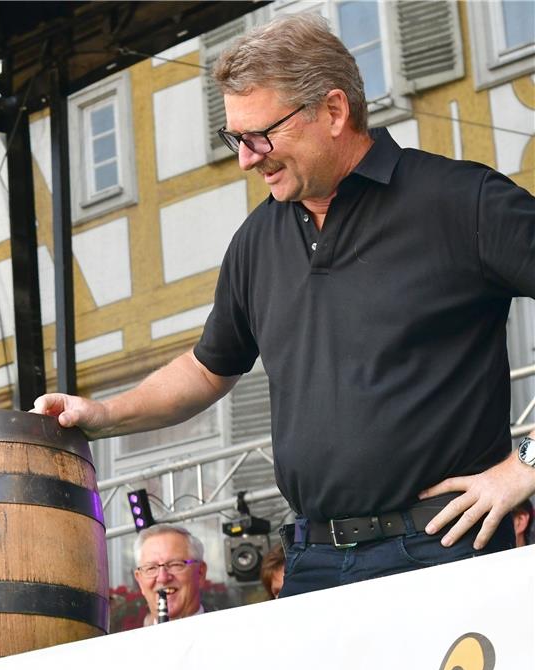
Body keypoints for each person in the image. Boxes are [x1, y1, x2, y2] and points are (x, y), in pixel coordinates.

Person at [35, 14, 535, 598]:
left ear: (333, 111)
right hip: (312, 563)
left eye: (259, 135)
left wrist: (523, 463)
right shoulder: (255, 241)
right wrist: (105, 414)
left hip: (442, 548)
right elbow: (205, 370)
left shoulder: (462, 201)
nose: (246, 158)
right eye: (235, 138)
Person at [134, 525, 207, 626]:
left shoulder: (230, 634)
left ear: (200, 573)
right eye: (151, 568)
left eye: (175, 565)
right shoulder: (128, 641)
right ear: (140, 581)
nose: (163, 578)